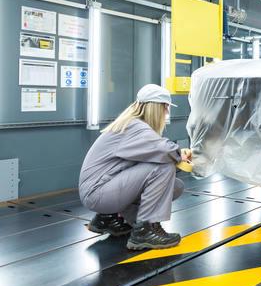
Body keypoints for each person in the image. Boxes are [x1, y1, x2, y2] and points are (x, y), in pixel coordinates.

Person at [79, 84, 190, 250]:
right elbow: (164, 150)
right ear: (155, 107)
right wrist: (180, 154)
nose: (167, 112)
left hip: (100, 190)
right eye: (165, 107)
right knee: (163, 168)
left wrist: (177, 157)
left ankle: (108, 218)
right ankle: (145, 231)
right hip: (97, 193)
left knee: (175, 186)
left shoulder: (131, 124)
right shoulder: (135, 127)